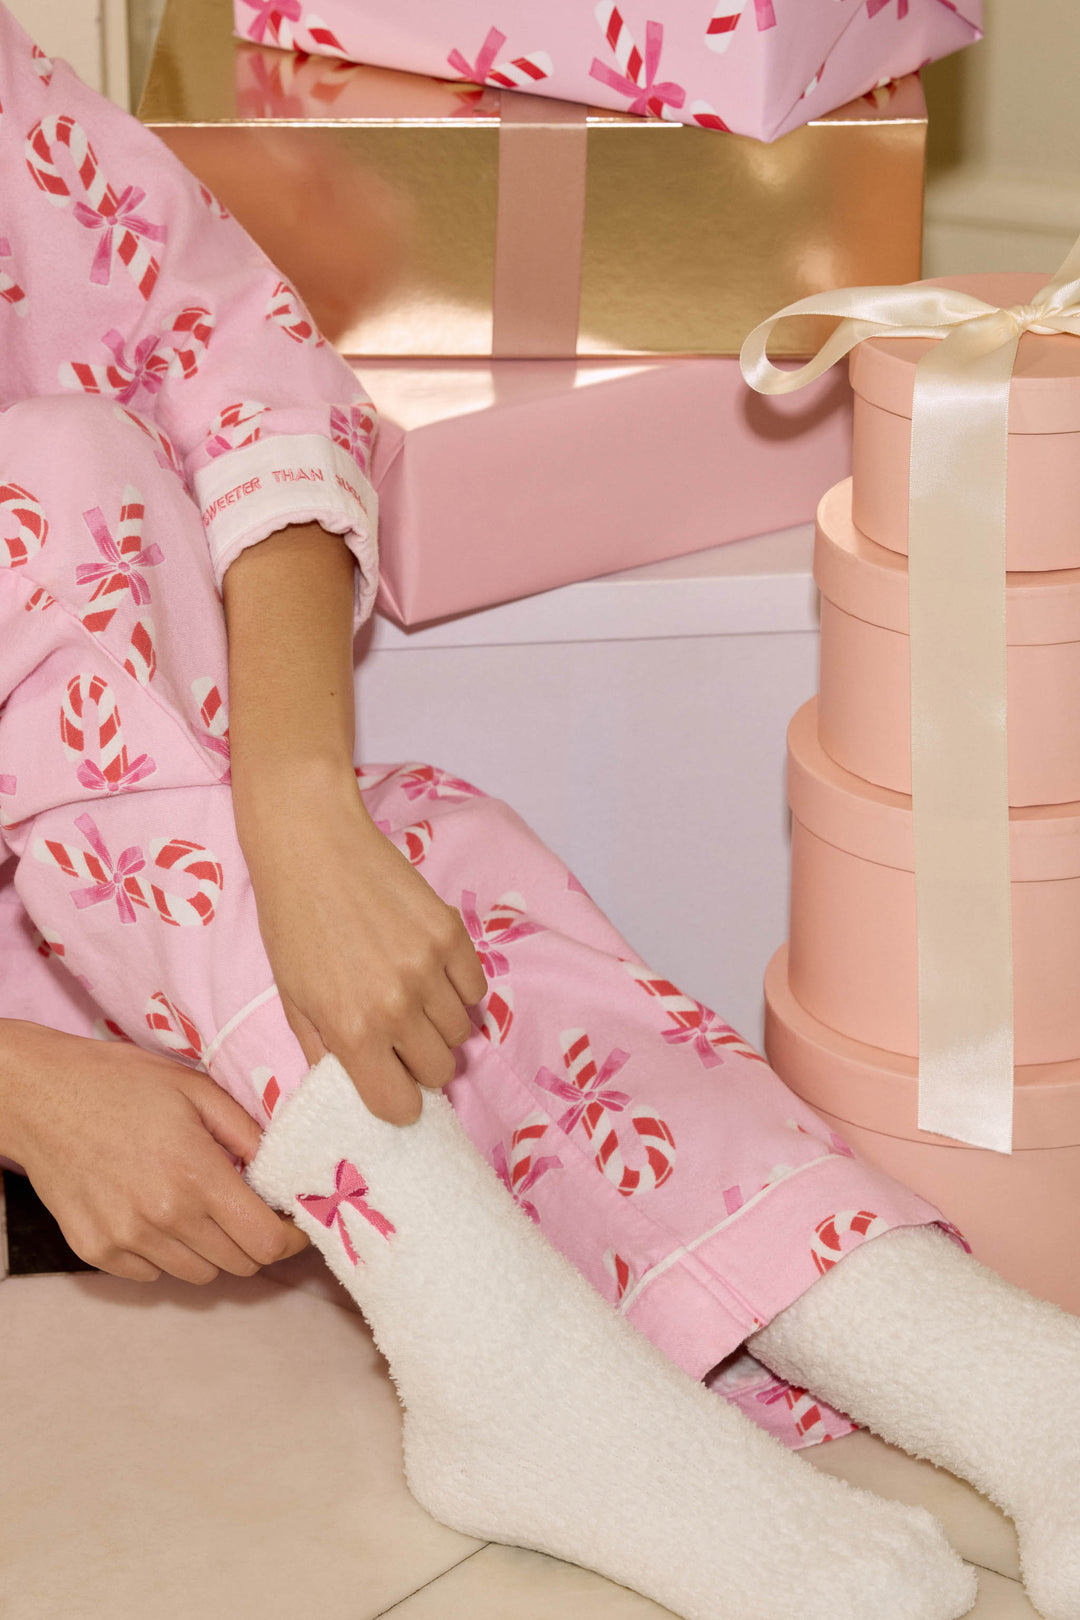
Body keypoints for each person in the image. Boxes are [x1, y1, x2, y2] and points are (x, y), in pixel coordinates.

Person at [0, 11, 1076, 1620]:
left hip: (157, 909)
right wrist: (26, 1093)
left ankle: (1002, 1385)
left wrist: (302, 812)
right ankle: (502, 1354)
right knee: (35, 488)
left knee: (420, 860)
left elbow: (238, 360)